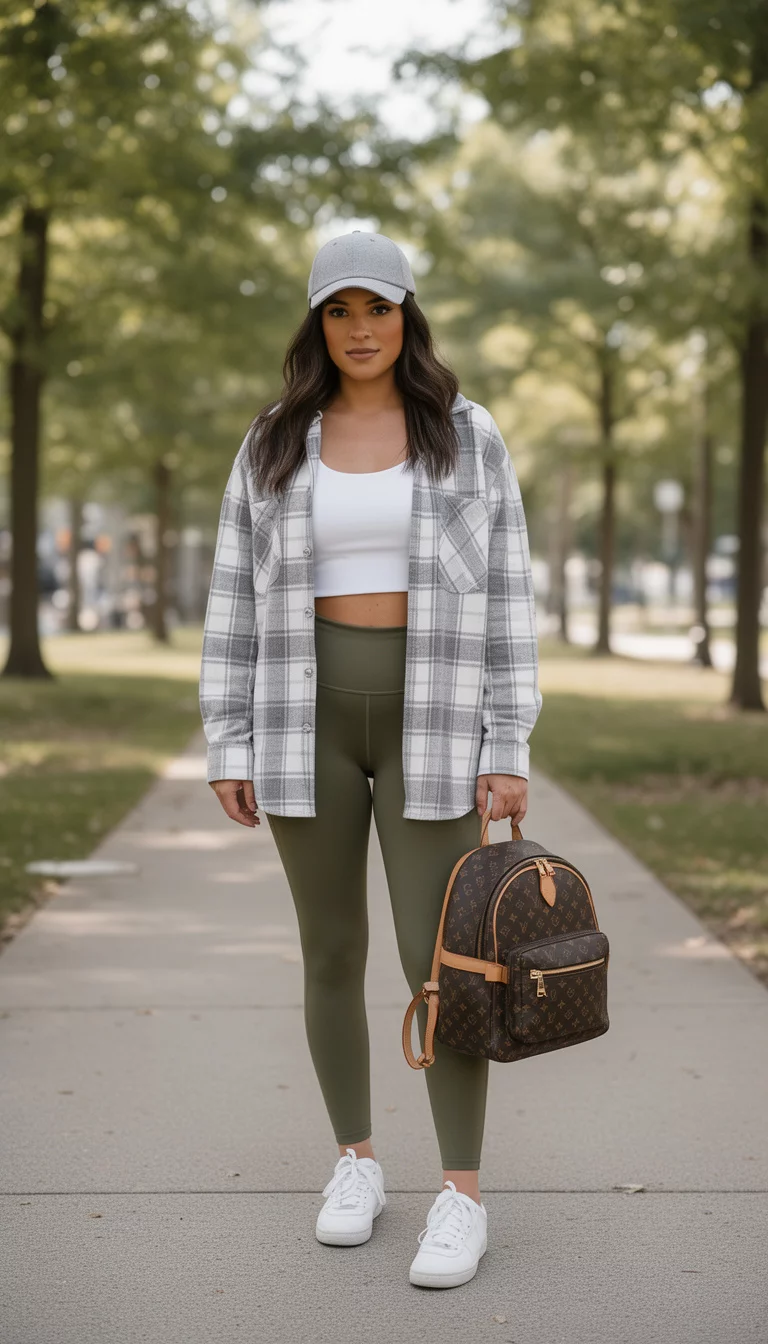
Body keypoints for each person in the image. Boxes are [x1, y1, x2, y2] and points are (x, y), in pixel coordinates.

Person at [199, 230, 542, 1289]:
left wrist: (510, 737)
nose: (360, 329)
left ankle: (461, 1194)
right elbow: (231, 596)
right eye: (339, 310)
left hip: (433, 712)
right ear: (316, 323)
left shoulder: (466, 434)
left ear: (408, 317)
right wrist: (228, 735)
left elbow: (509, 592)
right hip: (300, 717)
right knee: (331, 950)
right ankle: (355, 1163)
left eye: (378, 308)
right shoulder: (272, 440)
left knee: (440, 960)